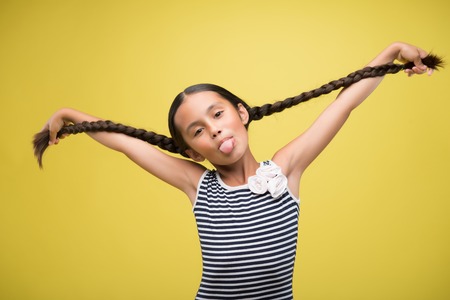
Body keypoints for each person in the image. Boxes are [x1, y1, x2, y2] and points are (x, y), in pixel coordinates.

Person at [37, 42, 437, 299]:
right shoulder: (196, 184)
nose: (214, 128)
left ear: (241, 113)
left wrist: (391, 53)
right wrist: (68, 115)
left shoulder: (285, 168)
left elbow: (342, 104)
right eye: (198, 130)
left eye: (218, 114)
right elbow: (127, 143)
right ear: (192, 151)